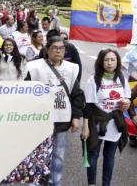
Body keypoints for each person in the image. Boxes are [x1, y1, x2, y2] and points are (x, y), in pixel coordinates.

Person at [25, 36, 84, 186]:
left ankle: (54, 182)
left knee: (58, 156)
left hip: (62, 120)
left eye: (61, 48)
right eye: (55, 48)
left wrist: (76, 117)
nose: (58, 51)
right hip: (40, 120)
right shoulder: (34, 67)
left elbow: (77, 94)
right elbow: (24, 92)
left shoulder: (71, 68)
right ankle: (37, 182)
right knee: (38, 156)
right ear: (47, 49)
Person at [81, 48, 130, 186]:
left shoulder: (121, 78)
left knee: (109, 157)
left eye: (112, 59)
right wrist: (85, 127)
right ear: (101, 62)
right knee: (93, 156)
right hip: (96, 123)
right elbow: (88, 106)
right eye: (106, 59)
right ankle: (92, 184)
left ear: (117, 62)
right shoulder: (94, 80)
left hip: (115, 124)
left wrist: (126, 103)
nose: (109, 63)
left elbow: (127, 96)